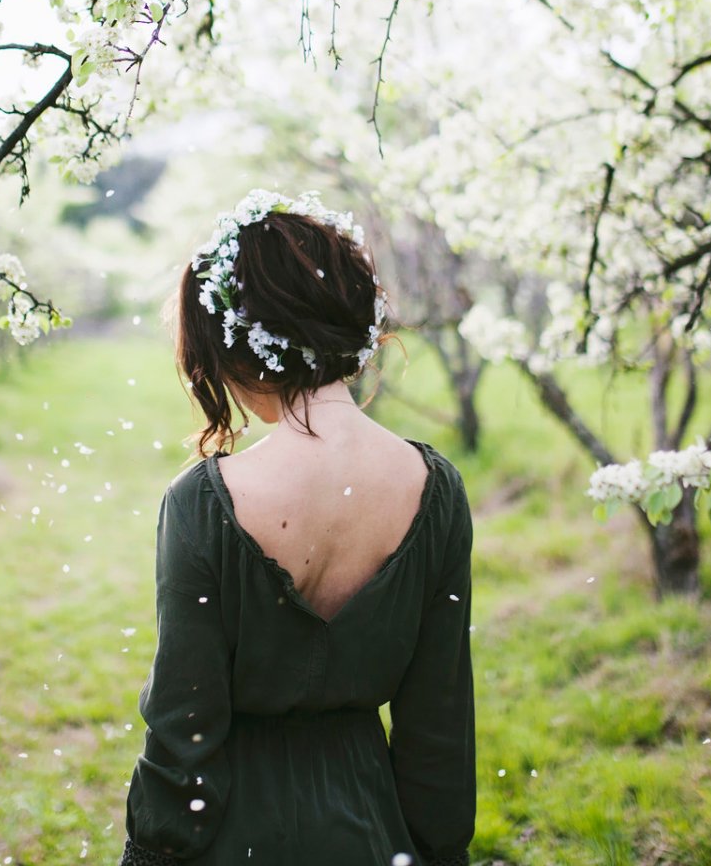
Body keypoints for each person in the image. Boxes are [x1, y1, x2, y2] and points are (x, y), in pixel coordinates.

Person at [119, 191, 476, 866]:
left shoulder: (204, 502)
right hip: (374, 833)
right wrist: (440, 852)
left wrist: (152, 854)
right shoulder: (437, 492)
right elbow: (440, 728)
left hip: (229, 835)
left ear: (237, 344)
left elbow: (182, 730)